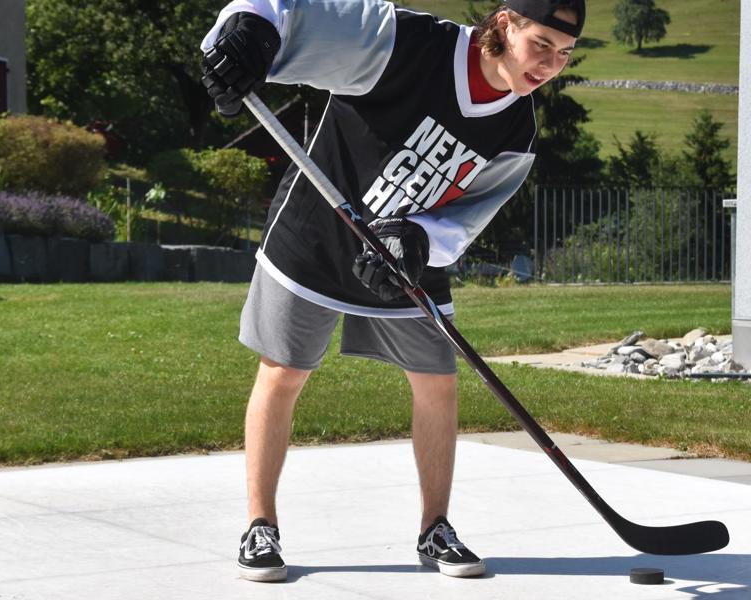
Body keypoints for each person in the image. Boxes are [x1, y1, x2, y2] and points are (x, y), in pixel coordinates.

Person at [200, 0, 583, 583]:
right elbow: (289, 9)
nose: (551, 65)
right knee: (283, 373)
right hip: (314, 234)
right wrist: (248, 24)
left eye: (565, 54)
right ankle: (260, 526)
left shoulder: (517, 126)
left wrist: (421, 238)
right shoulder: (407, 42)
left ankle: (436, 530)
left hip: (406, 252)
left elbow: (470, 216)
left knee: (437, 382)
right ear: (505, 25)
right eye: (542, 45)